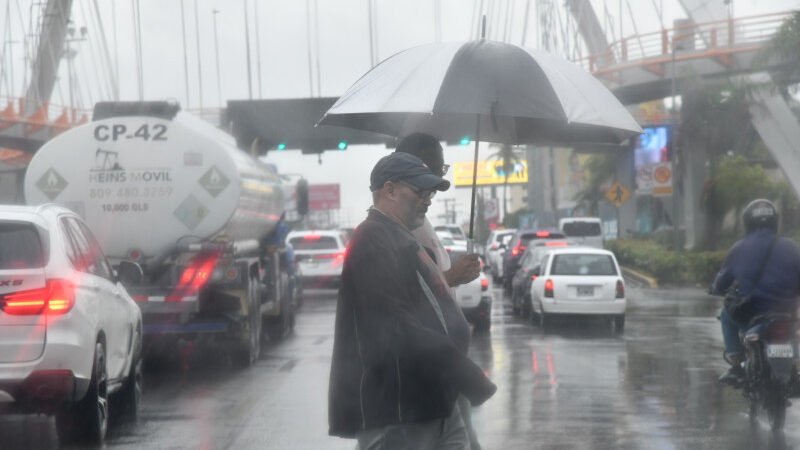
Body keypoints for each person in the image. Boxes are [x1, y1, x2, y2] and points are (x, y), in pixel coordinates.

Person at [328, 152, 497, 450]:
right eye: (419, 191)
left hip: (437, 405)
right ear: (389, 190)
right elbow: (396, 327)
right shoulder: (372, 240)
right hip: (400, 412)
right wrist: (464, 372)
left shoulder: (401, 237)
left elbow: (427, 306)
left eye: (430, 192)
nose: (427, 199)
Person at [395, 132, 483, 449]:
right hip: (424, 371)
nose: (437, 181)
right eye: (438, 169)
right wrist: (452, 276)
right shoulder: (395, 228)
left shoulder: (420, 222)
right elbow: (399, 297)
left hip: (443, 365)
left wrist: (451, 275)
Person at [710, 199, 800, 384]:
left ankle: (736, 366)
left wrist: (715, 288)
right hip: (786, 311)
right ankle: (794, 368)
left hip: (751, 311)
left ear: (747, 222)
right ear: (775, 221)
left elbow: (722, 281)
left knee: (726, 316)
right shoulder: (791, 246)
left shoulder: (739, 248)